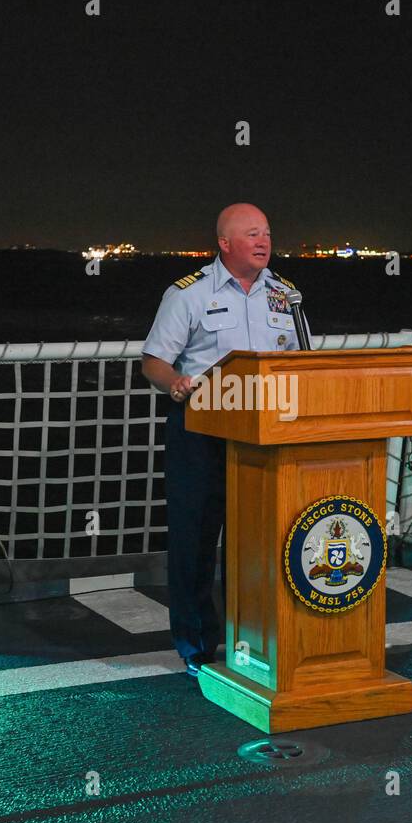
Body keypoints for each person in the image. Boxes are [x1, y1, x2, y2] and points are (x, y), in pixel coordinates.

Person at [141, 203, 309, 676]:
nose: (264, 241)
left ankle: (252, 638)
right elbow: (153, 360)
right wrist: (174, 383)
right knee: (195, 540)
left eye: (268, 233)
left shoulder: (286, 296)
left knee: (258, 541)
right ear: (225, 244)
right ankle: (196, 645)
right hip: (202, 433)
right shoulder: (188, 295)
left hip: (265, 435)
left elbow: (303, 362)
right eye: (253, 234)